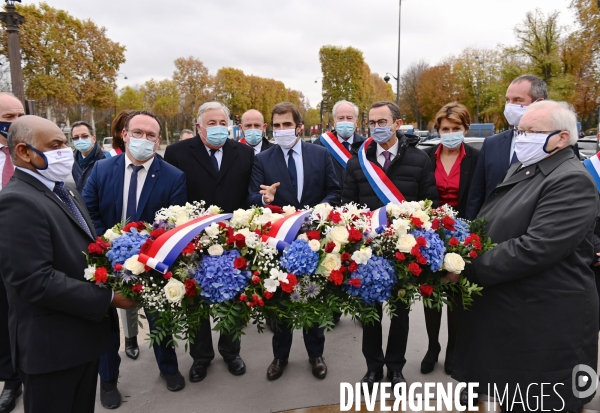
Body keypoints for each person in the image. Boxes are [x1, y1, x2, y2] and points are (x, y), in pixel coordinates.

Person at [452, 100, 599, 412]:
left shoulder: (570, 179)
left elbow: (536, 247)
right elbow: (495, 221)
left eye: (532, 131)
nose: (522, 138)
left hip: (545, 327)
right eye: (520, 131)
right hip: (517, 320)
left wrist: (468, 267)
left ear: (562, 138)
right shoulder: (527, 167)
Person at [0, 115, 136, 413]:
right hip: (51, 350)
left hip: (83, 340)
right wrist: (110, 297)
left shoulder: (65, 189)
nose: (65, 151)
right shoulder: (17, 201)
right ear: (24, 151)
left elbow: (86, 249)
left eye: (64, 143)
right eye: (55, 145)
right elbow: (35, 281)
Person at [82, 110, 187, 408]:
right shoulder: (102, 170)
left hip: (151, 261)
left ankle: (168, 368)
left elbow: (171, 224)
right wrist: (109, 247)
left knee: (158, 319)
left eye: (151, 135)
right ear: (125, 135)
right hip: (104, 258)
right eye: (137, 132)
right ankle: (109, 380)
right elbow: (89, 214)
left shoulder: (173, 177)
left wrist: (142, 253)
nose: (144, 139)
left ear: (158, 141)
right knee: (104, 323)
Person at [342, 101, 438, 392]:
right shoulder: (357, 161)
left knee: (400, 313)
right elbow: (347, 206)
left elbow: (428, 204)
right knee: (369, 313)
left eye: (382, 122)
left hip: (404, 251)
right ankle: (373, 368)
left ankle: (395, 368)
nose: (377, 128)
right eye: (372, 123)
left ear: (398, 123)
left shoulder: (420, 160)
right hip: (368, 252)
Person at [247, 102, 341, 381]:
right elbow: (252, 197)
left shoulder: (320, 155)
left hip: (314, 238)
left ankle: (316, 354)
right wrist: (265, 199)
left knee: (313, 296)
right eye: (276, 126)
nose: (281, 130)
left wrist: (316, 213)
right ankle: (280, 356)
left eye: (287, 125)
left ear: (299, 126)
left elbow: (334, 191)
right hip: (279, 240)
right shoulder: (263, 159)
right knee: (282, 301)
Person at [164, 101, 253, 384]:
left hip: (234, 238)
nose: (217, 128)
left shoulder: (245, 153)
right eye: (211, 123)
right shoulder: (177, 153)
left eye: (222, 123)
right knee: (195, 299)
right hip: (192, 239)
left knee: (233, 295)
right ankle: (201, 357)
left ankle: (231, 351)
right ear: (198, 127)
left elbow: (249, 194)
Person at [465, 75, 579, 219]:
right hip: (490, 230)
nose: (510, 106)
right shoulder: (491, 143)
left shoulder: (559, 143)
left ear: (539, 102)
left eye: (517, 100)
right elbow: (477, 193)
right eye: (507, 100)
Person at [420, 102, 479, 376]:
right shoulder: (426, 157)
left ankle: (454, 349)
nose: (451, 133)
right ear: (438, 130)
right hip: (431, 235)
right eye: (446, 128)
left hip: (463, 235)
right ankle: (433, 347)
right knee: (431, 293)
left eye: (456, 128)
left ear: (465, 129)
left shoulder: (476, 159)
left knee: (455, 296)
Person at [0, 93, 24, 413]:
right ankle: (11, 379)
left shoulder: (32, 151)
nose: (17, 122)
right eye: (9, 116)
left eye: (21, 114)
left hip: (29, 249)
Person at [313, 100, 366, 192]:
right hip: (329, 201)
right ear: (334, 122)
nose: (345, 121)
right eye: (341, 118)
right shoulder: (319, 145)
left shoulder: (366, 146)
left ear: (356, 122)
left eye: (349, 118)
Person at [71, 120, 106, 193]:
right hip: (80, 203)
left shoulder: (106, 159)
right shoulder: (72, 159)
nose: (80, 140)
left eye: (85, 136)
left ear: (94, 138)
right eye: (76, 137)